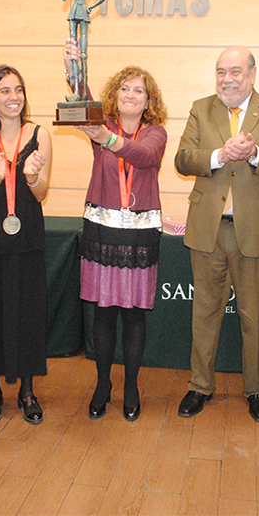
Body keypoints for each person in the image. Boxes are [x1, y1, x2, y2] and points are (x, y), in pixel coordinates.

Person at [174, 46, 259, 422]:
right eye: (221, 72)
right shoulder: (200, 107)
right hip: (208, 229)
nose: (227, 79)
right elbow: (183, 159)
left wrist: (256, 152)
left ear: (253, 75)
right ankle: (199, 385)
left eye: (235, 72)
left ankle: (257, 389)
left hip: (257, 231)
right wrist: (219, 155)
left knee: (255, 315)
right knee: (205, 313)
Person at [71, 57, 168, 422]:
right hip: (102, 229)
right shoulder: (103, 126)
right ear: (116, 95)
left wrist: (109, 139)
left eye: (138, 90)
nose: (131, 94)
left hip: (139, 234)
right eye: (125, 88)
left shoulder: (156, 133)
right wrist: (75, 68)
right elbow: (83, 103)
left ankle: (130, 387)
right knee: (103, 312)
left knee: (133, 316)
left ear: (148, 101)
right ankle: (101, 386)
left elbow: (144, 157)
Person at [0, 65, 52, 425]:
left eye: (18, 90)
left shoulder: (40, 134)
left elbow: (41, 192)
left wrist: (30, 175)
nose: (13, 97)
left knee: (28, 313)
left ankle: (27, 391)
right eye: (4, 91)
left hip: (27, 233)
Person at [61, 0, 106, 101]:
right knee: (74, 53)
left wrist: (91, 8)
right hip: (73, 12)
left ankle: (84, 95)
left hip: (83, 13)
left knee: (83, 55)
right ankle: (76, 93)